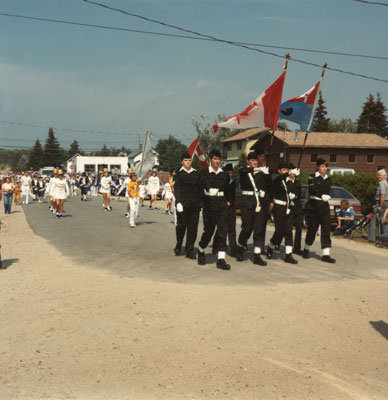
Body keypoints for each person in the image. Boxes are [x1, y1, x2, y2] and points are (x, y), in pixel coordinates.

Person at [197, 149, 233, 270]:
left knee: (223, 231)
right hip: (209, 205)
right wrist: (209, 189)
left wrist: (228, 201)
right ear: (210, 159)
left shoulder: (224, 174)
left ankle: (221, 259)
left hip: (222, 204)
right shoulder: (204, 173)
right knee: (209, 231)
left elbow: (228, 189)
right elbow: (205, 185)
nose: (217, 161)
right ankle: (201, 249)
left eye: (218, 159)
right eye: (215, 159)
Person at [236, 152, 269, 266]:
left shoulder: (261, 173)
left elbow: (268, 184)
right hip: (247, 203)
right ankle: (240, 247)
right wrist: (259, 170)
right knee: (246, 228)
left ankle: (257, 255)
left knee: (258, 230)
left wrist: (264, 192)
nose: (254, 162)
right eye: (252, 160)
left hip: (258, 203)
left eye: (256, 160)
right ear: (248, 161)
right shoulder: (243, 171)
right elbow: (245, 171)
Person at [303, 157, 335, 263]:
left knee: (326, 229)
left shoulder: (328, 179)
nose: (324, 168)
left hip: (324, 206)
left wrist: (325, 197)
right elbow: (312, 189)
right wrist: (321, 195)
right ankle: (306, 249)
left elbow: (327, 190)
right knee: (313, 228)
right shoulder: (312, 177)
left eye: (326, 166)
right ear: (317, 167)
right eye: (322, 166)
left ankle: (326, 254)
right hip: (314, 205)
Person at [266, 163, 298, 264]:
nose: (286, 171)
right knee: (279, 231)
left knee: (288, 231)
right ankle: (270, 247)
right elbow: (279, 179)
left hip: (288, 207)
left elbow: (294, 190)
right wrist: (289, 173)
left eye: (287, 169)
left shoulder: (288, 181)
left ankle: (288, 255)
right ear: (279, 170)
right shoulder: (276, 180)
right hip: (278, 208)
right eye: (284, 169)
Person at [173, 152, 203, 260]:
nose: (188, 162)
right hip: (183, 205)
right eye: (186, 160)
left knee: (193, 228)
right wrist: (178, 202)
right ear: (182, 161)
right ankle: (179, 243)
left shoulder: (196, 174)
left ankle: (189, 250)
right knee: (181, 226)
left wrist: (201, 203)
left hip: (194, 205)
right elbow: (177, 188)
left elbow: (200, 189)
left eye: (189, 160)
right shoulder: (179, 174)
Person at [212, 163, 237, 257]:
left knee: (232, 229)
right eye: (228, 173)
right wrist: (225, 202)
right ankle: (215, 246)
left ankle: (233, 249)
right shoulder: (222, 182)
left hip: (232, 208)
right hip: (223, 207)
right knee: (221, 229)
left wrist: (232, 202)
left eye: (231, 173)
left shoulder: (233, 182)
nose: (230, 174)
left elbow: (233, 195)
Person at [368, 169, 388, 242]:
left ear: (384, 176)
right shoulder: (386, 183)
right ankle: (384, 238)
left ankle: (371, 238)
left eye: (379, 175)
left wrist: (380, 205)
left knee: (374, 220)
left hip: (381, 203)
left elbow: (382, 195)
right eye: (378, 175)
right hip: (386, 203)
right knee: (384, 221)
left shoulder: (381, 183)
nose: (378, 176)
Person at [287, 164, 303, 255]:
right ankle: (287, 245)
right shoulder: (286, 181)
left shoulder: (297, 182)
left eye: (294, 171)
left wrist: (295, 196)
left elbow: (299, 194)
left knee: (299, 228)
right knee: (288, 228)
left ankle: (297, 247)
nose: (293, 173)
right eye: (291, 171)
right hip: (288, 208)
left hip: (297, 207)